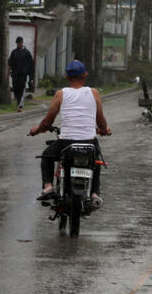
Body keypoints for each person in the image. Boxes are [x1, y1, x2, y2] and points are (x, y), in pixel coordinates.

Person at [29, 60, 112, 203]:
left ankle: (48, 186)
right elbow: (101, 121)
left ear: (67, 77)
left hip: (66, 143)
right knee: (95, 161)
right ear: (85, 75)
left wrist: (36, 130)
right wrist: (104, 130)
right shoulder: (94, 93)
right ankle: (94, 193)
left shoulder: (61, 94)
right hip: (89, 142)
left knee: (47, 156)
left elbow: (47, 122)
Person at [8, 36, 35, 111]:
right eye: (18, 43)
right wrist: (8, 72)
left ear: (22, 43)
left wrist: (31, 77)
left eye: (20, 43)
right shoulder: (14, 52)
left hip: (23, 75)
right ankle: (18, 103)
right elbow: (10, 63)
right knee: (15, 89)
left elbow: (31, 65)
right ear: (16, 43)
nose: (19, 44)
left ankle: (20, 105)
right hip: (15, 74)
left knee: (22, 89)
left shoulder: (26, 53)